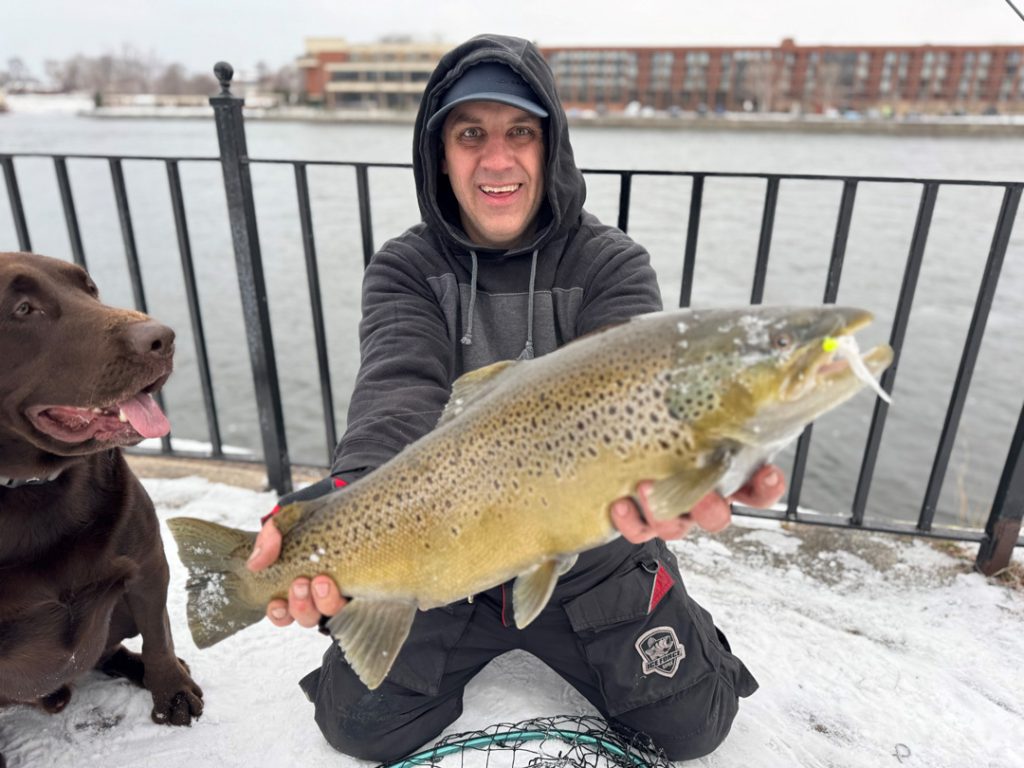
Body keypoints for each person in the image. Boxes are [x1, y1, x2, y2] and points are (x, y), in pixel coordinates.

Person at [247, 33, 785, 762]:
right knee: (358, 728)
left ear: (549, 147)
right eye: (471, 135)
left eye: (519, 134)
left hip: (586, 553)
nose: (496, 160)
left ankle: (678, 615)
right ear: (441, 153)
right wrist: (343, 494)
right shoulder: (406, 267)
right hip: (446, 553)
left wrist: (712, 459)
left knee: (695, 728)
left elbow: (641, 404)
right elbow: (396, 391)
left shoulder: (611, 264)